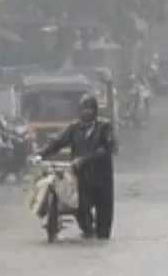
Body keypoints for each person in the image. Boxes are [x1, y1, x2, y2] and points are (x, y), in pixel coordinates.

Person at [37, 94, 116, 240]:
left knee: (104, 217)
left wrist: (85, 159)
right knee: (80, 206)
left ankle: (101, 239)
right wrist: (42, 154)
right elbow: (59, 142)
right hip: (81, 176)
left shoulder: (104, 127)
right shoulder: (74, 128)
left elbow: (106, 149)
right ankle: (88, 232)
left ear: (95, 110)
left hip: (102, 178)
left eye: (90, 109)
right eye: (84, 109)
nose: (86, 112)